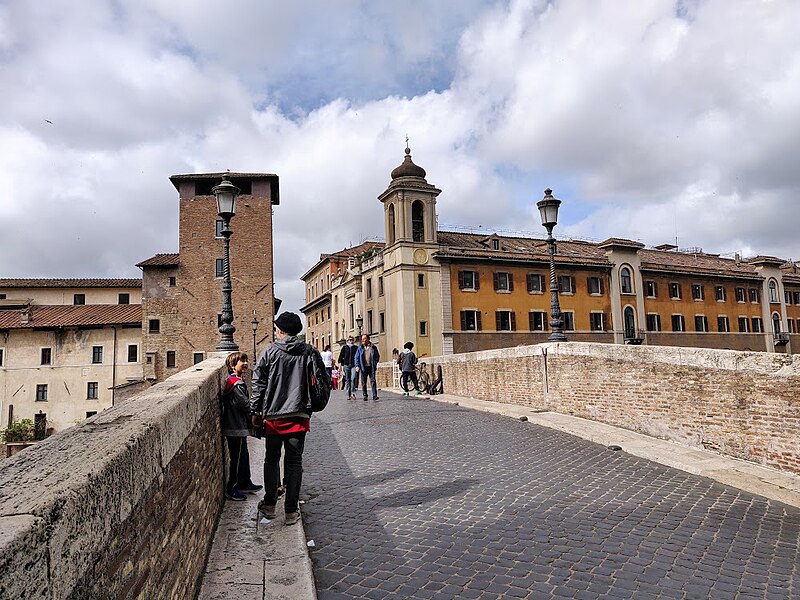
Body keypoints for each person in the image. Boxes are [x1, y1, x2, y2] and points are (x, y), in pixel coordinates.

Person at [250, 312, 326, 526]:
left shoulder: (269, 351)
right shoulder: (309, 351)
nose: (275, 332)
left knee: (272, 459)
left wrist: (255, 411)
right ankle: (291, 511)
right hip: (299, 414)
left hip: (274, 415)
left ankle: (270, 505)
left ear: (281, 330)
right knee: (294, 462)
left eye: (276, 329)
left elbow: (259, 384)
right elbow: (320, 380)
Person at [222, 352, 262, 501]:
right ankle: (232, 489)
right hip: (235, 427)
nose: (245, 363)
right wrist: (256, 408)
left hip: (239, 427)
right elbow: (244, 404)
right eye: (242, 361)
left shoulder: (235, 381)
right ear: (233, 365)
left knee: (243, 455)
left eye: (246, 361)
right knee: (237, 459)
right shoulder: (235, 384)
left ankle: (245, 482)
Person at [354, 334, 380, 401]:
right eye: (362, 339)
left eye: (364, 339)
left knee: (373, 381)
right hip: (363, 367)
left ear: (368, 339)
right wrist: (357, 366)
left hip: (371, 367)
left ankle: (375, 395)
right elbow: (356, 357)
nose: (363, 340)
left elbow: (377, 356)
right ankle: (365, 395)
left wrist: (375, 363)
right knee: (363, 382)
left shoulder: (373, 347)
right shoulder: (360, 348)